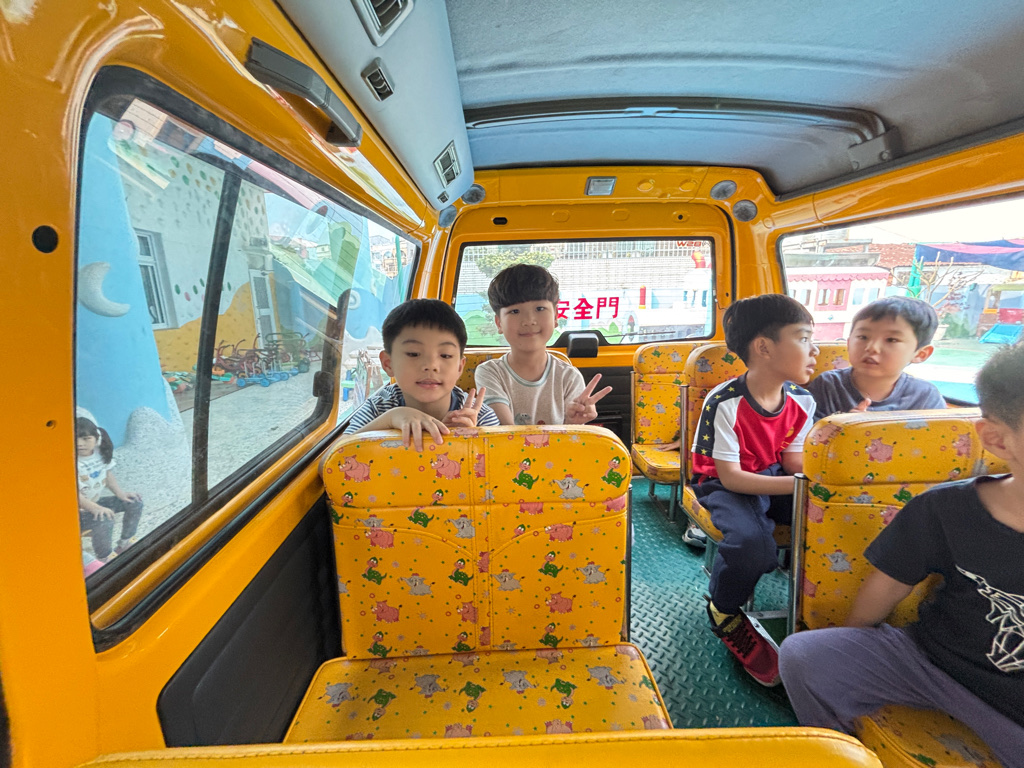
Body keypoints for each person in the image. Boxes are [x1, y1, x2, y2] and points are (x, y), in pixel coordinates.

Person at [779, 344, 1024, 768]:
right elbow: (890, 583)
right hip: (933, 662)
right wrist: (857, 637)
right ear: (997, 439)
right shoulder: (947, 509)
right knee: (805, 656)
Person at [691, 294, 818, 686]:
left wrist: (823, 481)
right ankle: (724, 609)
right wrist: (801, 486)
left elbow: (793, 461)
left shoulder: (802, 400)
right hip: (723, 483)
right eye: (803, 338)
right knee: (752, 545)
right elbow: (732, 479)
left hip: (773, 473)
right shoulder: (725, 401)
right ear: (764, 347)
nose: (814, 350)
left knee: (827, 517)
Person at [344, 299, 500, 449]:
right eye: (413, 354)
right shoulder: (377, 408)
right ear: (388, 363)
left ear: (460, 367)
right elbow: (333, 457)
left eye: (445, 355)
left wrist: (465, 443)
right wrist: (391, 418)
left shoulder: (480, 417)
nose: (431, 366)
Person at [474, 264, 612, 427]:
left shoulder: (569, 377)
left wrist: (572, 422)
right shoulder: (489, 372)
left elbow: (571, 438)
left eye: (539, 308)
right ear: (499, 323)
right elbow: (507, 433)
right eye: (515, 311)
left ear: (556, 316)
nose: (529, 321)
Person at [808, 296, 945, 421]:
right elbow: (805, 435)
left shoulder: (925, 396)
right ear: (848, 343)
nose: (872, 347)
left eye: (891, 340)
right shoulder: (827, 385)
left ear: (921, 354)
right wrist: (844, 428)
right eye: (863, 337)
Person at [76, 416, 143, 563]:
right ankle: (104, 557)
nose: (80, 443)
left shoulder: (98, 454)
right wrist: (96, 508)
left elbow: (106, 474)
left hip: (93, 502)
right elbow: (73, 495)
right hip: (76, 512)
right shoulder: (71, 461)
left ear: (96, 439)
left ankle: (125, 542)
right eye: (76, 439)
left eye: (86, 438)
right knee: (104, 518)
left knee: (134, 502)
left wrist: (121, 494)